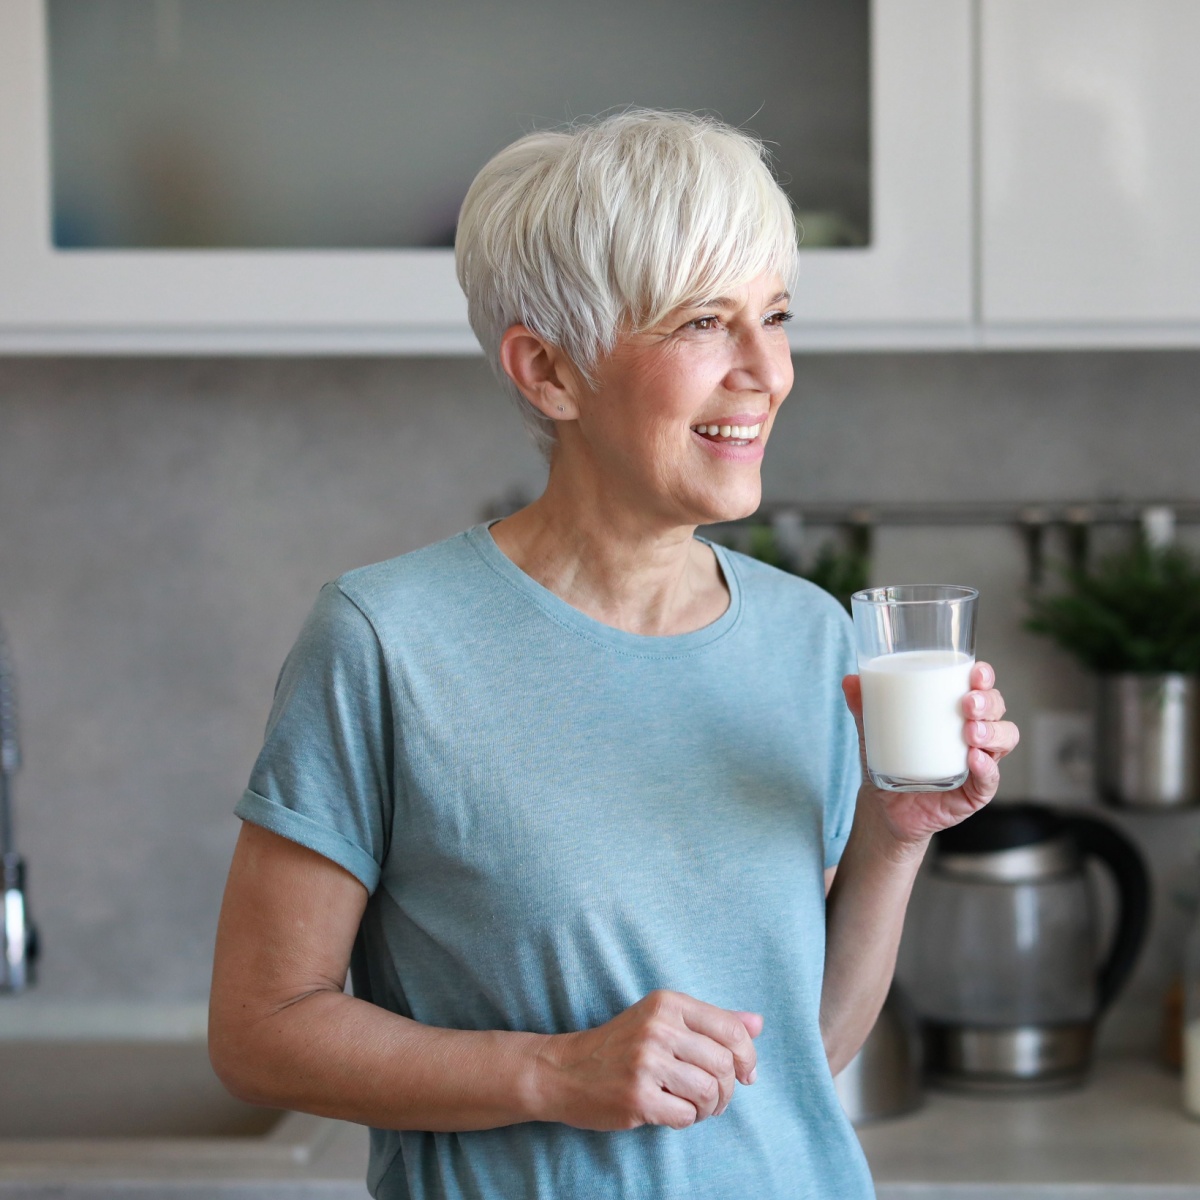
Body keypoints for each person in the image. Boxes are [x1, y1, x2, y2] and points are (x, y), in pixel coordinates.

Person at [209, 110, 1018, 1199]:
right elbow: (261, 1032)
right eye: (701, 324)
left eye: (773, 316)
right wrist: (552, 1072)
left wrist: (893, 837)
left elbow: (799, 1058)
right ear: (548, 371)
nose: (766, 372)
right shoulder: (387, 642)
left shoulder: (812, 638)